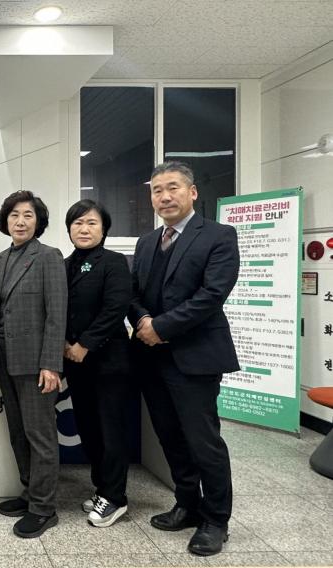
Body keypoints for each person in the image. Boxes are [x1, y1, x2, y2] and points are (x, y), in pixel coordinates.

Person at [129, 161, 239, 556]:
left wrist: (161, 327)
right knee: (170, 438)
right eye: (157, 190)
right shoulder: (146, 242)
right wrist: (142, 320)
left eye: (172, 187)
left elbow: (212, 295)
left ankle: (216, 519)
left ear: (192, 192)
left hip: (196, 358)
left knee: (203, 440)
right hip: (151, 358)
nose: (165, 196)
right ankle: (187, 503)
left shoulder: (219, 236)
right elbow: (133, 292)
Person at [0, 190, 66, 538]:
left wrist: (51, 364)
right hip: (3, 358)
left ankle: (44, 508)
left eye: (28, 215)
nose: (20, 221)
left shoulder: (48, 256)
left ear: (38, 221)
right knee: (18, 432)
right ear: (5, 221)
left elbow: (57, 315)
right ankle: (30, 492)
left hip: (35, 362)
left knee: (40, 435)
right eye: (14, 215)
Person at [62, 199, 132, 528]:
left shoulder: (114, 262)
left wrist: (84, 344)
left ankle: (116, 497)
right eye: (78, 223)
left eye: (91, 223)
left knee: (111, 429)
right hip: (75, 362)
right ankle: (102, 488)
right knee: (89, 427)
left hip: (108, 361)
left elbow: (115, 308)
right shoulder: (65, 264)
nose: (84, 229)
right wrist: (65, 343)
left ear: (103, 229)